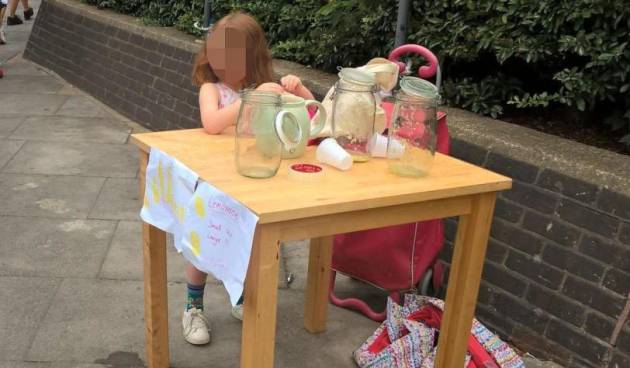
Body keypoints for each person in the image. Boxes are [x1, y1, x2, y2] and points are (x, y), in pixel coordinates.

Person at [186, 11, 316, 346]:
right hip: (214, 182)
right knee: (202, 243)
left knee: (246, 241)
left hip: (254, 180)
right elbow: (212, 123)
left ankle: (240, 297)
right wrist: (252, 99)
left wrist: (298, 87)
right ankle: (193, 305)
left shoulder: (263, 89)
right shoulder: (211, 89)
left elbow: (311, 115)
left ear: (252, 58)